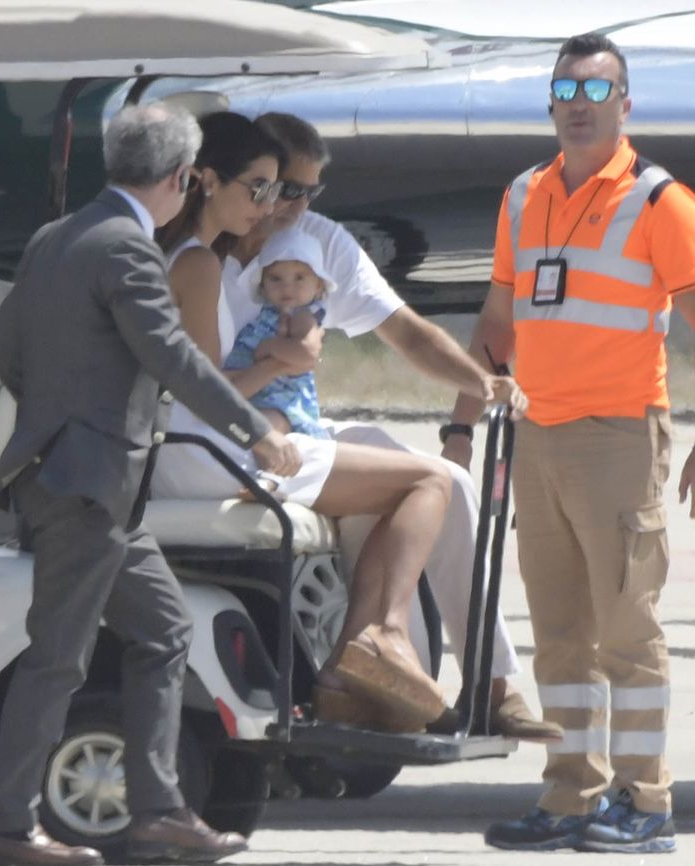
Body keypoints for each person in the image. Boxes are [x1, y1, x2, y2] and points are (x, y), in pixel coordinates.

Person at [0, 103, 298, 866]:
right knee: (58, 657)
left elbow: (6, 348)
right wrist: (255, 428)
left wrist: (58, 418)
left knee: (163, 629)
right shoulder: (128, 248)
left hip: (81, 486)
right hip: (90, 489)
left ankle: (158, 809)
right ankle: (7, 828)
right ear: (184, 179)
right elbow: (175, 358)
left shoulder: (57, 237)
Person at [151, 110, 511, 736]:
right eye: (269, 188)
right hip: (224, 447)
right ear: (217, 182)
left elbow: (407, 332)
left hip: (241, 434)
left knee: (431, 482)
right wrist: (279, 367)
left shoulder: (302, 243)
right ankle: (374, 646)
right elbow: (203, 391)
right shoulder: (202, 261)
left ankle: (480, 681)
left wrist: (480, 388)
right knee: (432, 482)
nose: (284, 205)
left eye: (302, 192)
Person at [448, 33, 695, 854]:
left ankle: (646, 803)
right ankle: (569, 798)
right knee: (559, 633)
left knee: (627, 631)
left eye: (598, 92)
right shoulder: (524, 193)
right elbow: (496, 324)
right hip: (538, 433)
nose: (580, 106)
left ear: (626, 104)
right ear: (550, 101)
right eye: (567, 90)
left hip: (620, 437)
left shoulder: (661, 201)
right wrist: (459, 423)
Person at [224, 225, 334, 441]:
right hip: (253, 391)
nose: (287, 287)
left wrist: (270, 347)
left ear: (318, 286)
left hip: (283, 399)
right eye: (276, 279)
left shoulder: (303, 316)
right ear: (263, 285)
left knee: (265, 427)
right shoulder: (266, 313)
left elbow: (307, 353)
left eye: (299, 278)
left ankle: (269, 469)